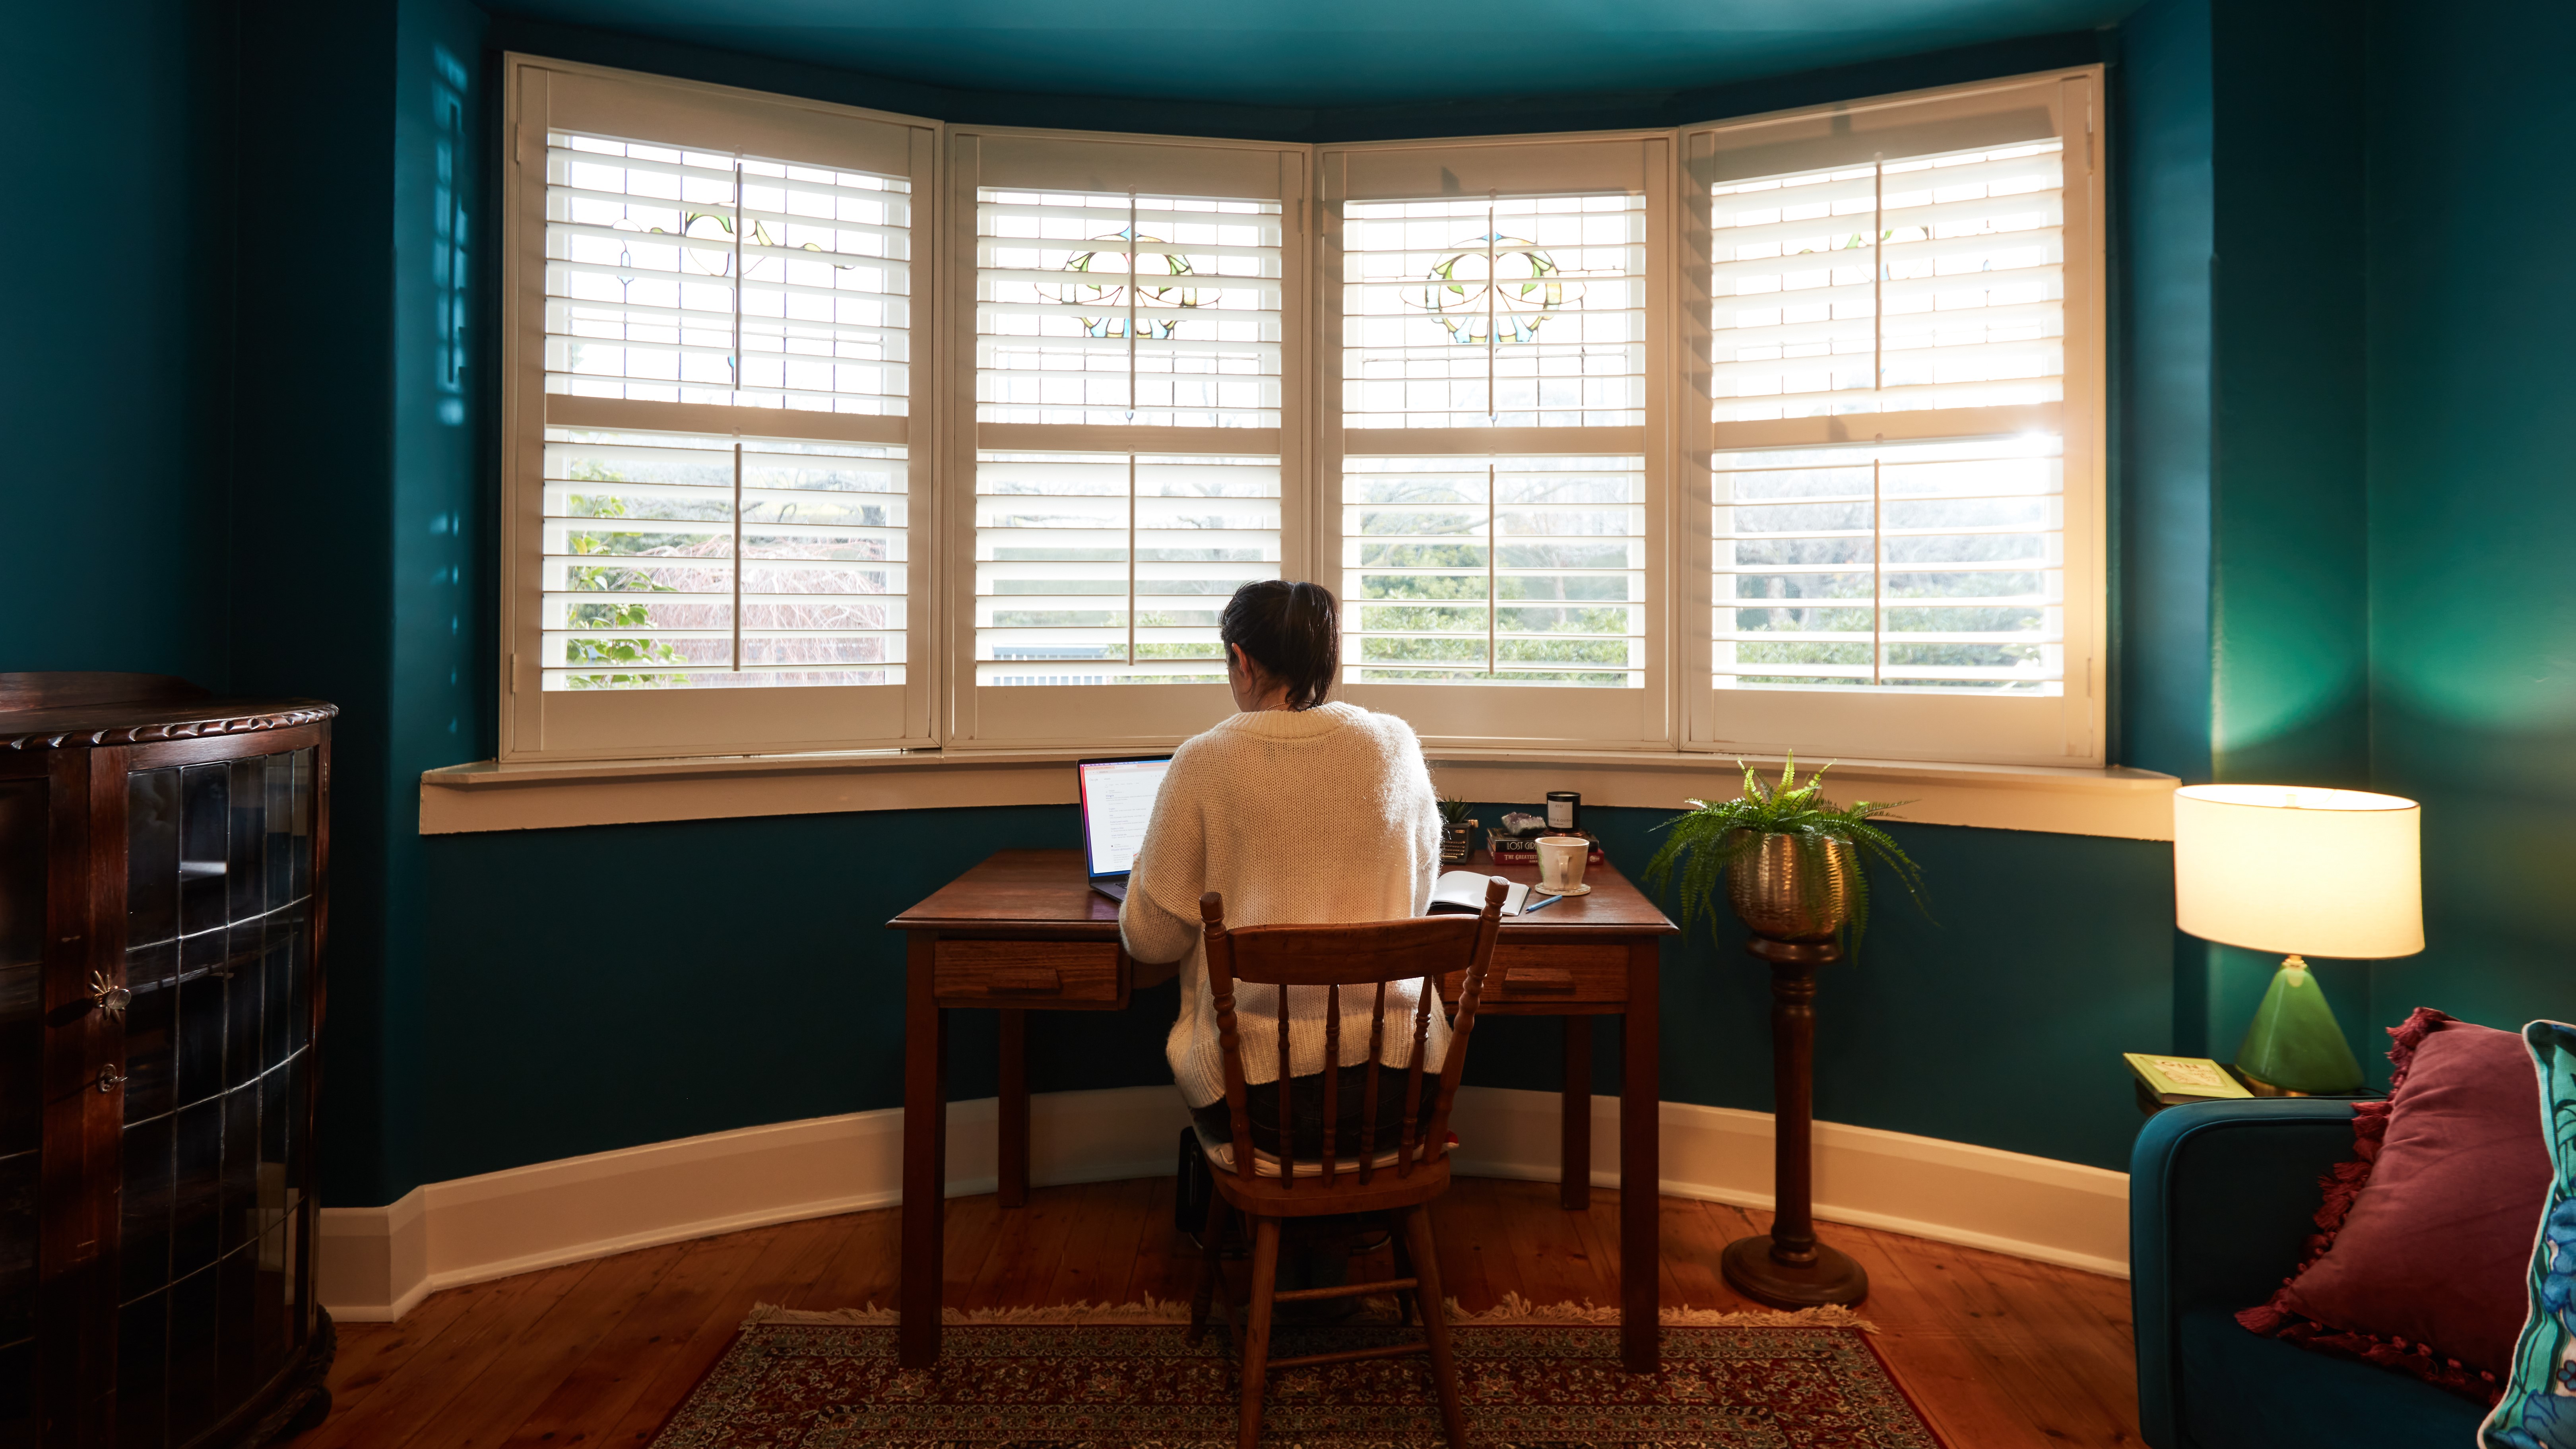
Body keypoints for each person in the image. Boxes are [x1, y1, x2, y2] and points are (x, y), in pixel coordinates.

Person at [1118, 579, 1448, 1164]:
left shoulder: (1204, 760)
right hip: (1403, 1090)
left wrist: (1148, 858)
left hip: (1262, 1107)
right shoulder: (1397, 745)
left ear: (1241, 661)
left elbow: (1150, 940)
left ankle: (1288, 1240)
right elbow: (1417, 902)